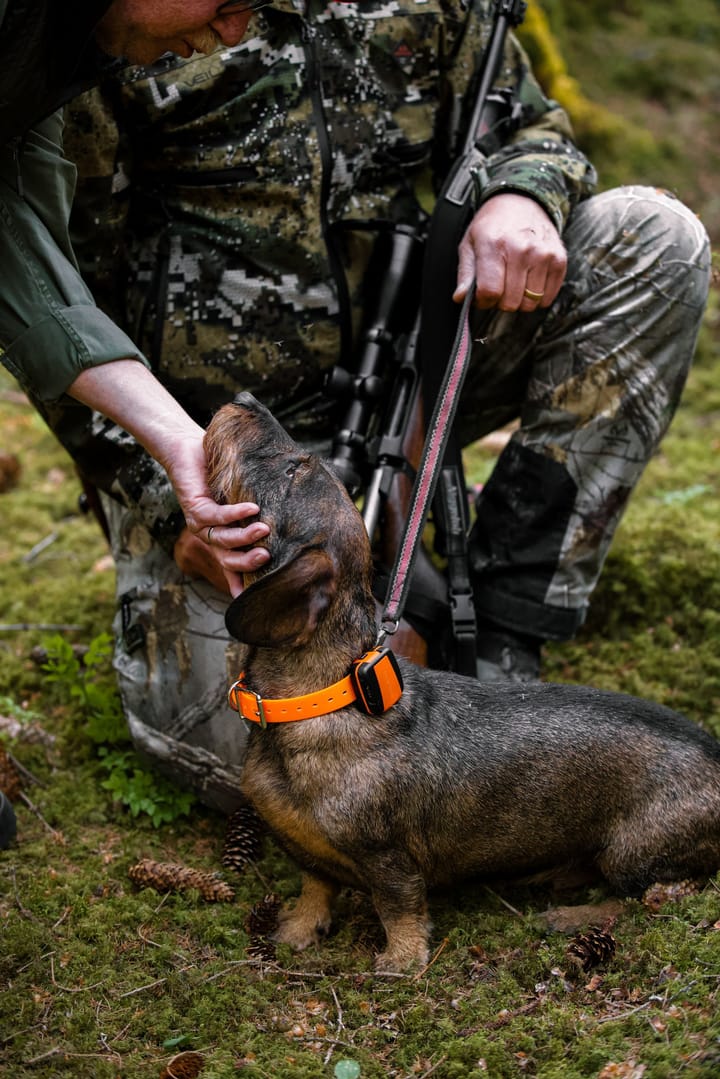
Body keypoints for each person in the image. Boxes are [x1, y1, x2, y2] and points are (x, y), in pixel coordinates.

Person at [5, 1, 712, 811]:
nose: (236, 27)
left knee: (653, 235)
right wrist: (169, 501)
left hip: (417, 377)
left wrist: (521, 191)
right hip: (219, 458)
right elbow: (52, 295)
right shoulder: (117, 26)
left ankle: (508, 633)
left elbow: (530, 127)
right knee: (248, 762)